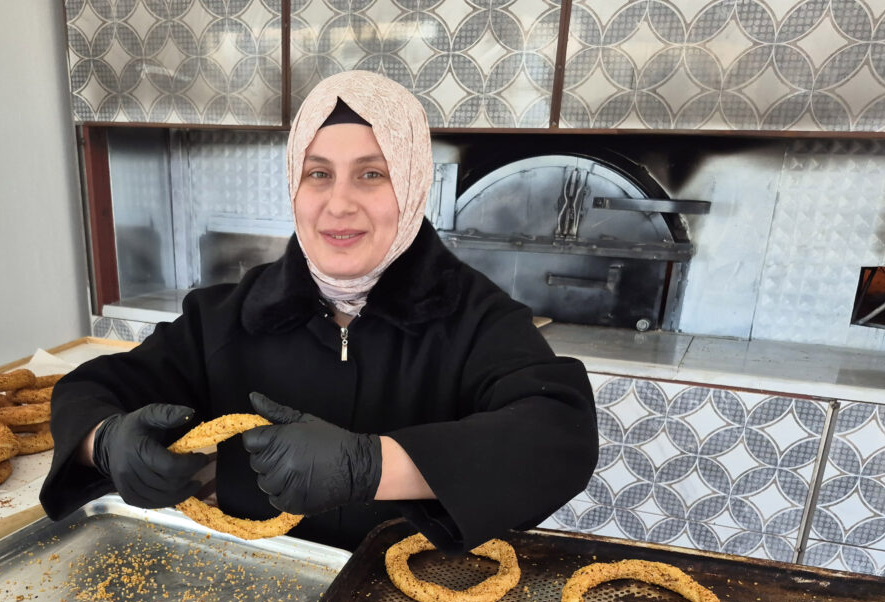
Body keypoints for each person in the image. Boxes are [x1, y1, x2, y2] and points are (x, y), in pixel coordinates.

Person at [40, 70, 598, 552]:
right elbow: (88, 389)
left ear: (413, 183)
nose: (339, 203)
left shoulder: (475, 318)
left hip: (407, 601)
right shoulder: (227, 316)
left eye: (372, 173)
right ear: (295, 185)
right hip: (250, 589)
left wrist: (370, 465)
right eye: (319, 173)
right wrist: (104, 442)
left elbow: (558, 437)